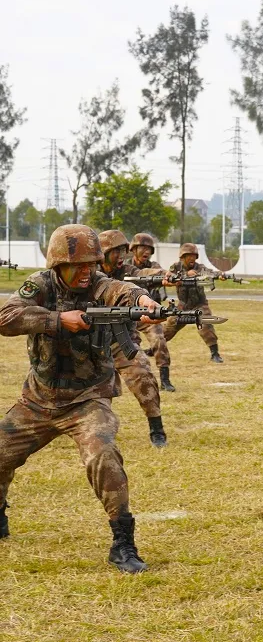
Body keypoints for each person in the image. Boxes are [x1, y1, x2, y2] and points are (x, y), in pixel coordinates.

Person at [0, 224, 162, 572]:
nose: (89, 271)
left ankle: (123, 544)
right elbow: (6, 317)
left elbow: (123, 289)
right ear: (59, 264)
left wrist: (143, 300)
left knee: (103, 454)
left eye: (94, 263)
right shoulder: (40, 285)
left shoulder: (101, 284)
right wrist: (58, 320)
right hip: (38, 401)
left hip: (88, 400)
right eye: (81, 265)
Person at [98, 230, 167, 447]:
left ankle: (157, 429)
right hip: (91, 339)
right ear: (104, 253)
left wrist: (165, 276)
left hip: (122, 338)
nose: (120, 256)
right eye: (115, 252)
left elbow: (142, 275)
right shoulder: (88, 274)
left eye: (122, 251)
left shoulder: (128, 271)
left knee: (142, 375)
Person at [163, 243, 224, 363]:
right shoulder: (175, 267)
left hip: (199, 303)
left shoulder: (199, 268)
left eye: (193, 255)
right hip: (183, 304)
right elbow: (166, 280)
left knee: (206, 324)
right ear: (182, 257)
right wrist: (185, 276)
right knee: (169, 327)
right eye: (188, 255)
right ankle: (154, 348)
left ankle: (215, 353)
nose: (192, 258)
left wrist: (220, 275)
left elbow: (210, 273)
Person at [130, 233, 174, 392]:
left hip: (147, 314)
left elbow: (156, 271)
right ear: (133, 249)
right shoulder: (126, 266)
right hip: (125, 313)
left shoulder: (153, 266)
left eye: (149, 248)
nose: (146, 251)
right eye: (142, 247)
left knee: (159, 341)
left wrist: (167, 276)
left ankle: (165, 380)